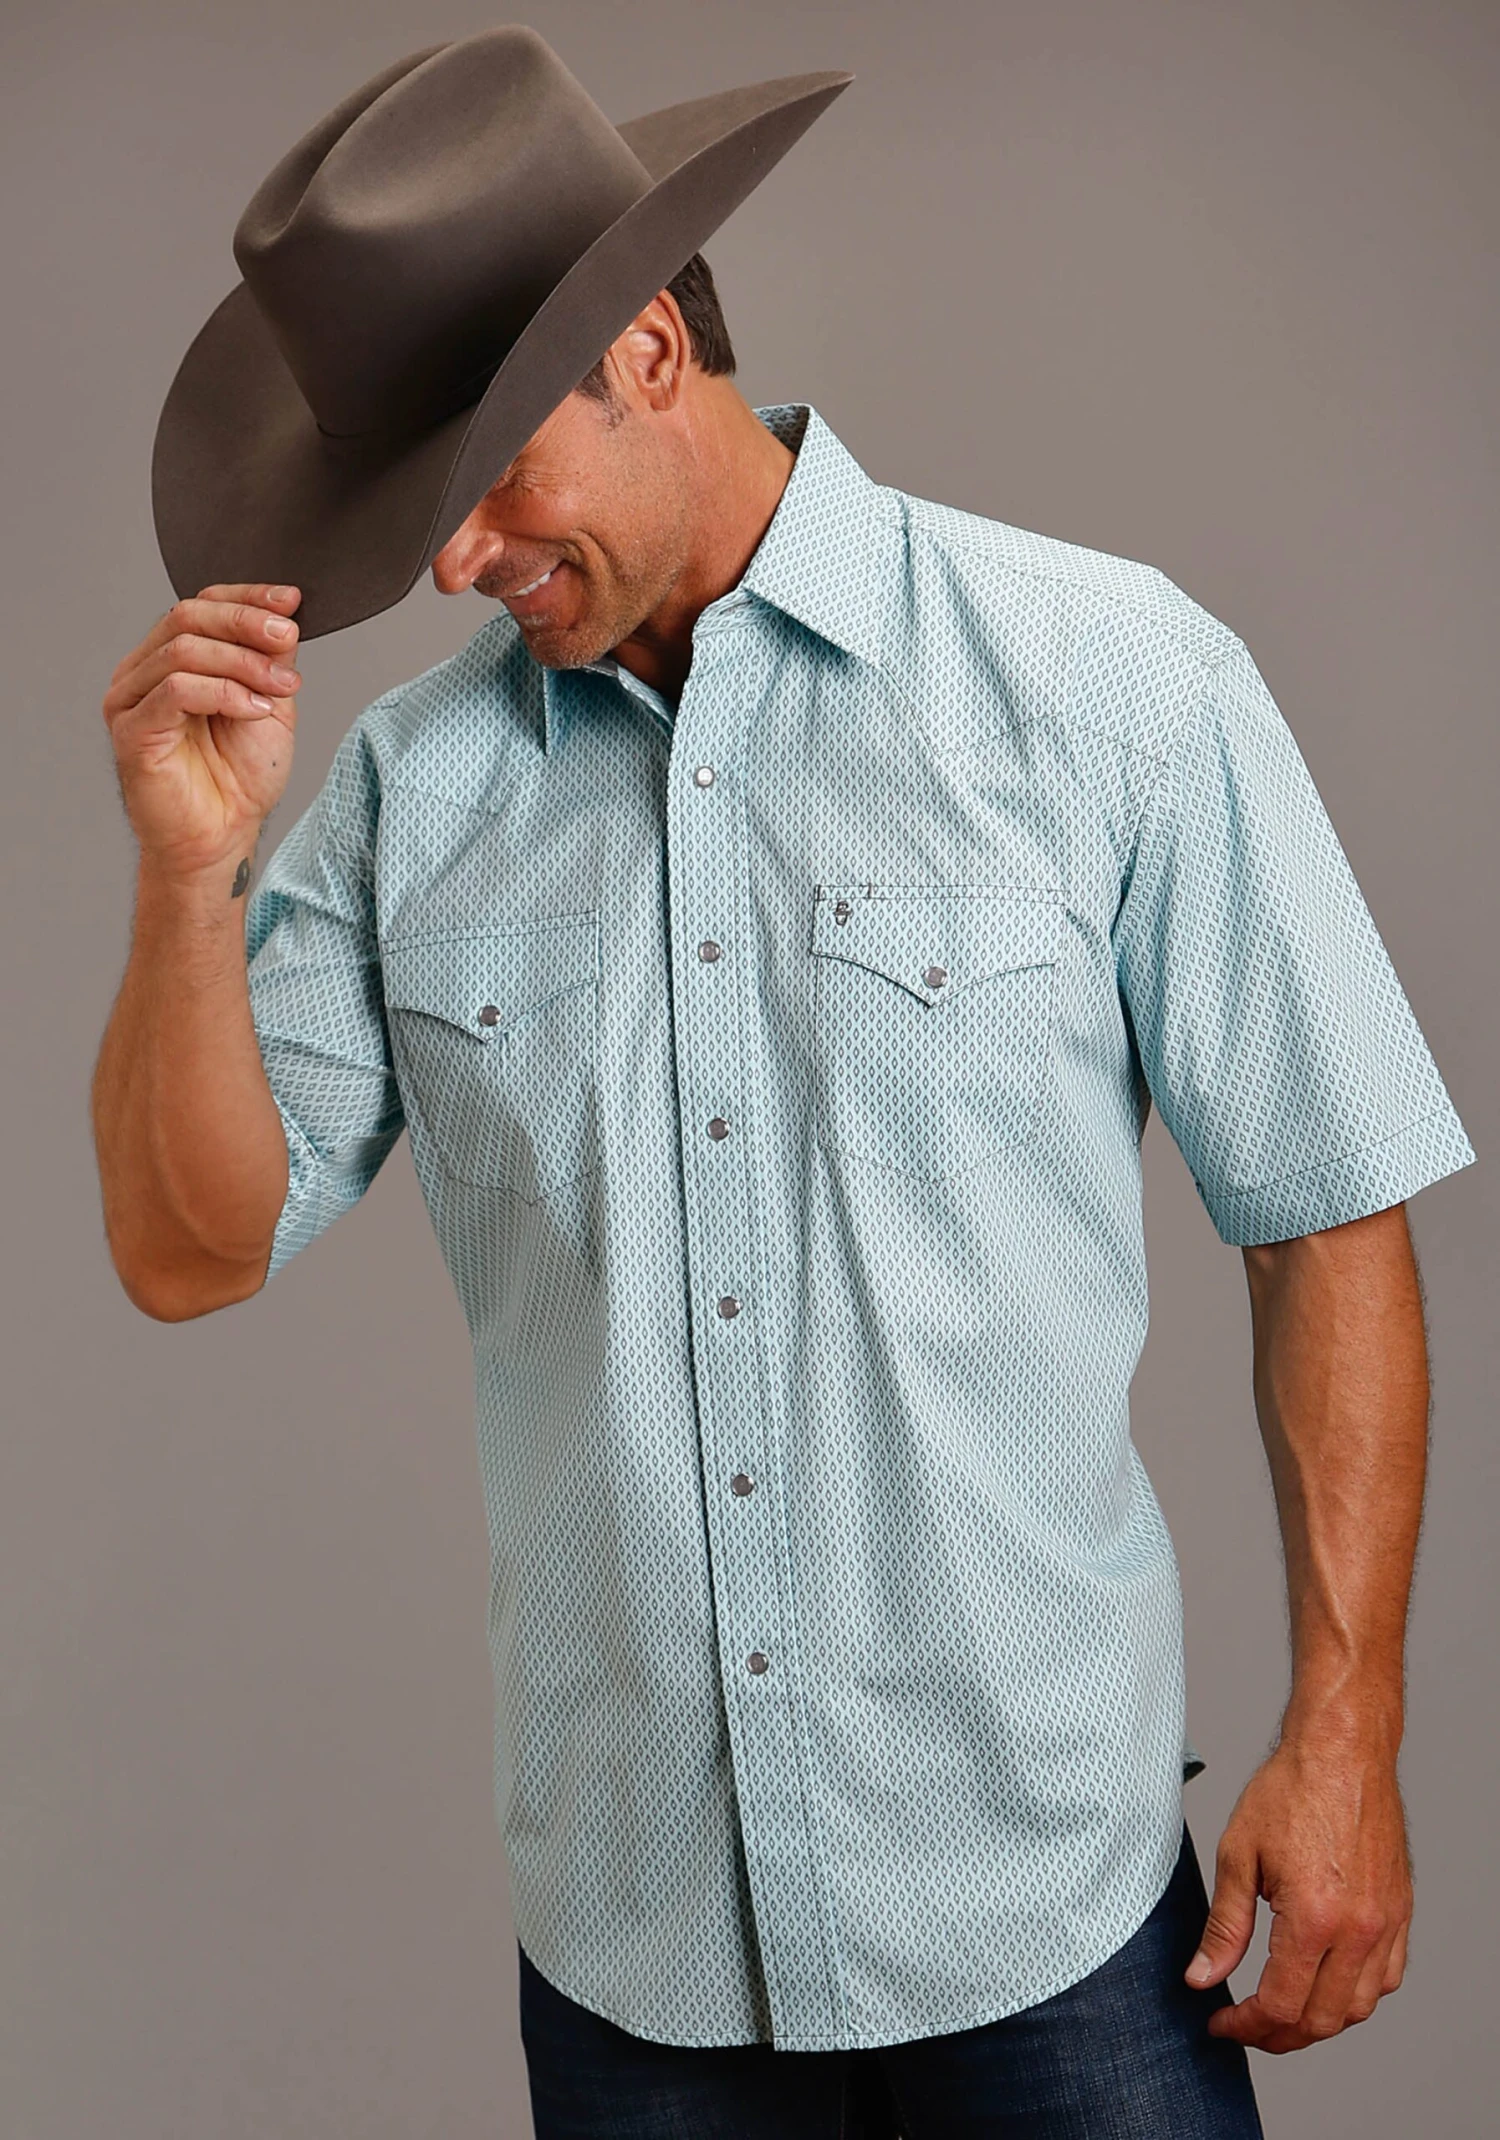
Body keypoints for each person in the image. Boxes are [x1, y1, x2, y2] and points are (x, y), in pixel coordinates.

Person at [91, 28, 1475, 2140]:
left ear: (648, 349)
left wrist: (1348, 1729)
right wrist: (187, 876)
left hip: (1055, 1929)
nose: (452, 566)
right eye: (416, 514)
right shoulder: (405, 799)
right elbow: (186, 1254)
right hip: (633, 1962)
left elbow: (1327, 1202)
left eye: (484, 483)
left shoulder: (1111, 685)